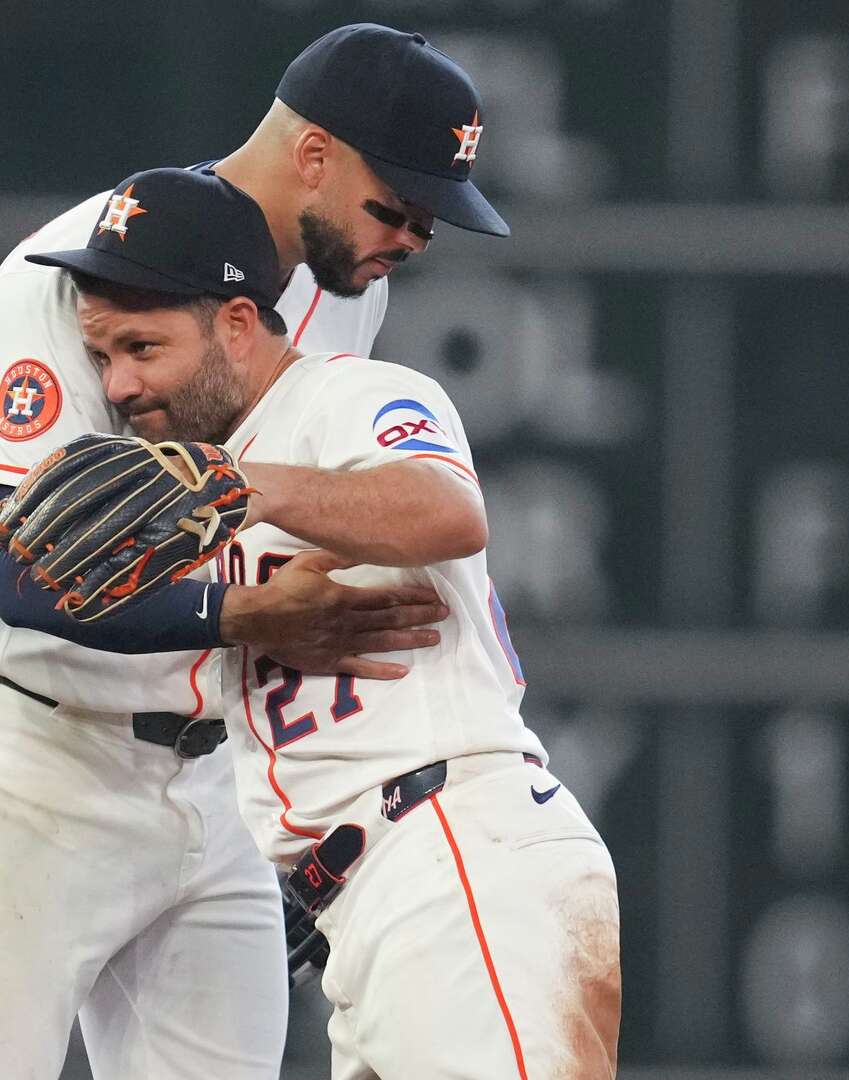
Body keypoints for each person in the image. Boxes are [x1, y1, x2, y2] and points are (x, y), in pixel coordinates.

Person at [32, 163, 621, 1079]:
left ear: (236, 323)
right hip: (368, 899)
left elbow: (448, 511)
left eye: (143, 349)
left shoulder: (349, 396)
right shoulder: (199, 474)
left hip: (461, 858)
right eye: (104, 356)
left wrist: (246, 487)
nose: (118, 386)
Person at [0, 24, 509, 1080]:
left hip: (215, 787)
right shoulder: (84, 275)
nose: (414, 236)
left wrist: (301, 816)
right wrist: (233, 619)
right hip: (39, 768)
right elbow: (16, 565)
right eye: (397, 204)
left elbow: (290, 519)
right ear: (313, 154)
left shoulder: (349, 284)